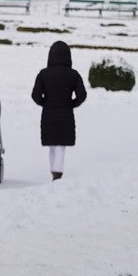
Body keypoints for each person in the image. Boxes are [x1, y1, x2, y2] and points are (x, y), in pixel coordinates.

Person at [31, 40, 87, 181]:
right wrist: (72, 104)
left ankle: (54, 173)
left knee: (51, 145)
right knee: (61, 146)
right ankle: (57, 174)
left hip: (48, 114)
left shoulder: (43, 74)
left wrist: (45, 103)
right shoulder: (73, 74)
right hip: (66, 114)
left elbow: (35, 95)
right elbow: (82, 95)